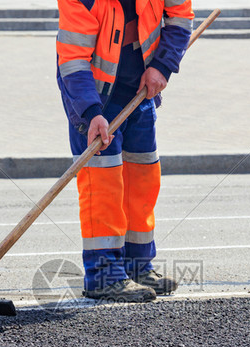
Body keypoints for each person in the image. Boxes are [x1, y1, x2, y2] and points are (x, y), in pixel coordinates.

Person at [56, 0, 194, 302]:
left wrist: (162, 66)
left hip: (140, 93)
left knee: (141, 181)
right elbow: (73, 60)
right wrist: (91, 113)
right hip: (95, 102)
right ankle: (104, 276)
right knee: (103, 188)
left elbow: (181, 17)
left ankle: (137, 267)